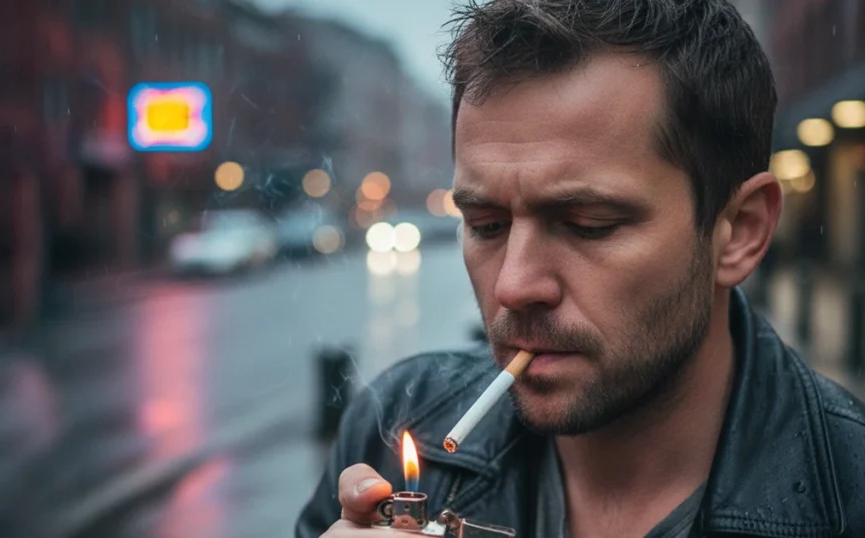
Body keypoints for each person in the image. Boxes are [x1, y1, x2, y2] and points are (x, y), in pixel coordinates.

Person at [296, 1, 865, 537]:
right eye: (487, 225)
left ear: (738, 231)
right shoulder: (392, 427)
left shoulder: (845, 493)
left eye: (589, 224)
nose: (513, 285)